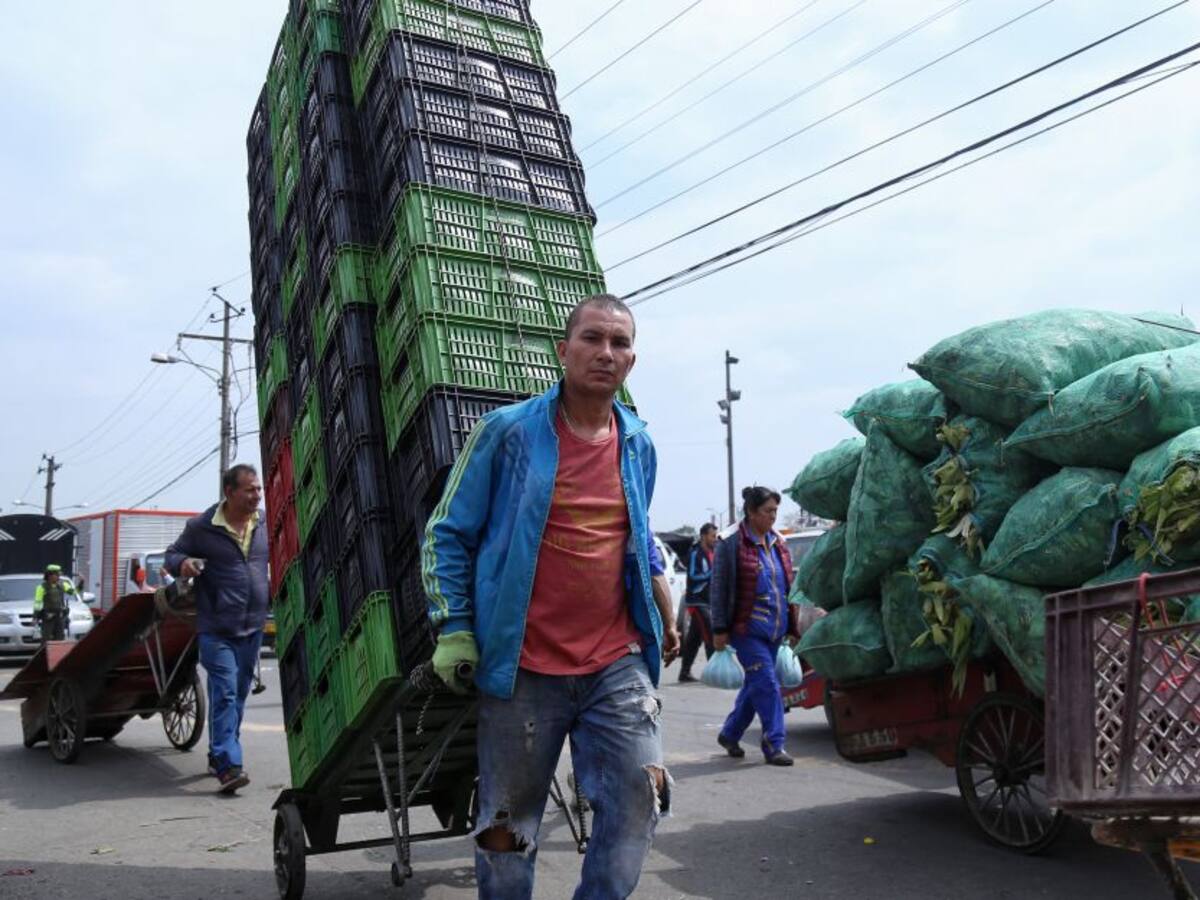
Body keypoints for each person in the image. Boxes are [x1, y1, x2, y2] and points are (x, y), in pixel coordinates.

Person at [423, 293, 680, 900]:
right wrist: (454, 626)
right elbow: (447, 533)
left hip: (615, 663)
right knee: (508, 830)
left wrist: (664, 614)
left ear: (632, 361)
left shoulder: (639, 445)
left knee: (643, 796)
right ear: (562, 351)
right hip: (523, 668)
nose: (605, 353)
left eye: (619, 343)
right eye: (592, 339)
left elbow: (637, 539)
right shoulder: (507, 433)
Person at [165, 464, 268, 795]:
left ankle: (217, 753)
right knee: (223, 692)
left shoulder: (263, 522)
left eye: (258, 489)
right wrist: (184, 564)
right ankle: (228, 766)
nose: (257, 495)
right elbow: (172, 555)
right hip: (216, 628)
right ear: (230, 492)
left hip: (252, 627)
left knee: (237, 696)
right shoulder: (202, 527)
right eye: (250, 489)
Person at [710, 486, 802, 766]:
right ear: (750, 512)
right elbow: (719, 588)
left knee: (756, 684)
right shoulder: (730, 542)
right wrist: (719, 629)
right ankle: (774, 743)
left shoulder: (778, 543)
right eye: (767, 511)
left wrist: (793, 626)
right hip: (746, 630)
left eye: (776, 511)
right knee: (768, 685)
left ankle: (730, 733)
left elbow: (787, 586)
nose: (773, 517)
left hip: (776, 629)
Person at [678, 523, 717, 682]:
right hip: (697, 601)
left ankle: (684, 672)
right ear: (703, 536)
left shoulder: (713, 553)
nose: (715, 539)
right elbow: (693, 576)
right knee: (710, 634)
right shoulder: (696, 553)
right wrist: (710, 574)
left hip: (708, 601)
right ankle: (714, 673)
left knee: (694, 638)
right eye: (712, 536)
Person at [33, 564, 76, 642]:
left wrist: (81, 583)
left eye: (59, 575)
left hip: (60, 616)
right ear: (50, 575)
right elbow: (37, 604)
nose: (59, 577)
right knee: (46, 639)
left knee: (59, 639)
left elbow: (74, 592)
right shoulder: (41, 587)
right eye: (57, 574)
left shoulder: (63, 585)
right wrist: (35, 617)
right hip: (48, 617)